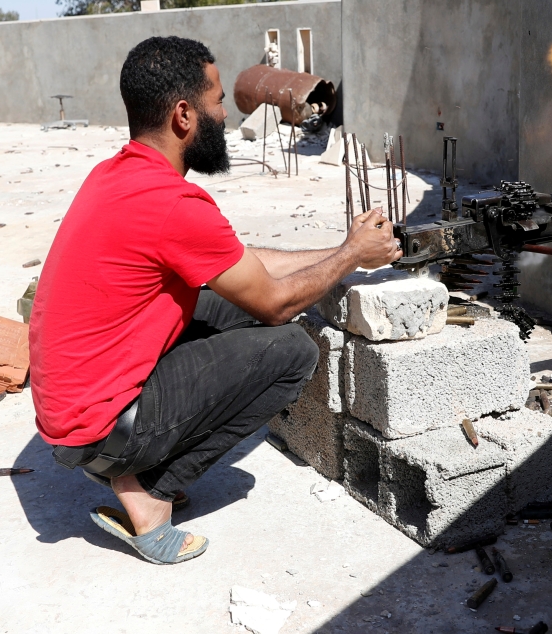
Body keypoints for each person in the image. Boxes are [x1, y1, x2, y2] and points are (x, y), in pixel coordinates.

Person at [28, 36, 401, 565]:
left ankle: (130, 465)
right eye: (218, 101)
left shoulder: (120, 174)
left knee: (224, 303)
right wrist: (348, 260)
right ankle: (151, 494)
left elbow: (241, 264)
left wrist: (345, 247)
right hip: (96, 427)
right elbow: (273, 304)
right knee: (291, 350)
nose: (225, 115)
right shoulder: (171, 204)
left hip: (71, 408)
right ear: (184, 115)